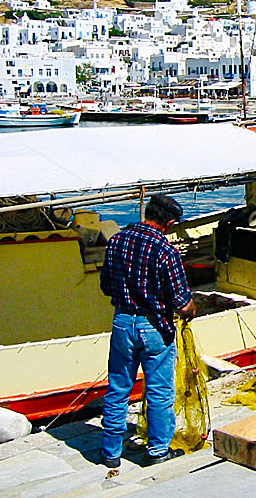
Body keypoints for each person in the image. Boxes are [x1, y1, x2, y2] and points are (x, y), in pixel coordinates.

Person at [100, 194, 197, 468]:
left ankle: (110, 453)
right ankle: (157, 452)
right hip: (154, 327)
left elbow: (106, 285)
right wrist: (192, 309)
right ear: (169, 222)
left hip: (122, 323)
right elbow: (182, 304)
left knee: (118, 388)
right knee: (159, 391)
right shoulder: (166, 251)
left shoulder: (116, 241)